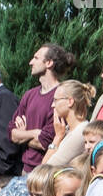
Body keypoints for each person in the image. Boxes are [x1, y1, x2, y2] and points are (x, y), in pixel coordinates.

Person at [11, 43, 75, 174]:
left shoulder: (61, 97)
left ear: (49, 63)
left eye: (36, 58)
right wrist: (34, 132)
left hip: (48, 170)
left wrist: (23, 135)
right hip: (25, 170)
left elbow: (45, 142)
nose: (30, 62)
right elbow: (12, 133)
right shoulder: (29, 95)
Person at [43, 80, 97, 168]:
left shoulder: (80, 133)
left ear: (70, 101)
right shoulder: (69, 129)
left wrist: (57, 137)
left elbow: (44, 169)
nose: (52, 105)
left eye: (55, 100)